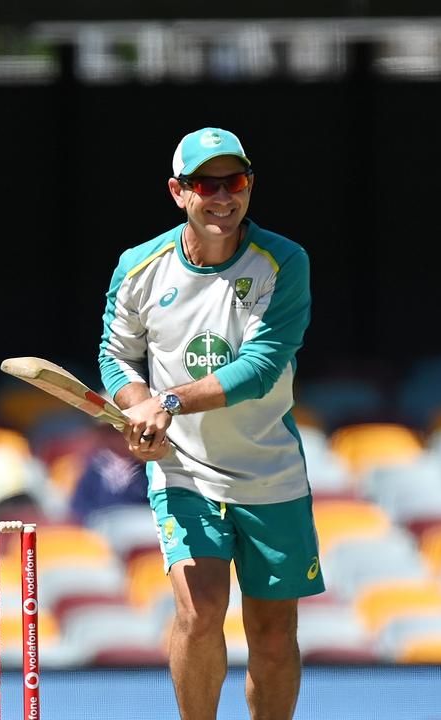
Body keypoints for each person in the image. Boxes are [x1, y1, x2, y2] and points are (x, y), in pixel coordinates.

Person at [97, 127, 323, 720]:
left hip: (269, 470)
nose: (223, 197)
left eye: (236, 181)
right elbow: (117, 356)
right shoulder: (138, 265)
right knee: (198, 617)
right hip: (185, 472)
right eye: (206, 184)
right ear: (179, 192)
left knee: (273, 640)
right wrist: (137, 400)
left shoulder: (285, 261)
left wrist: (164, 405)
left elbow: (260, 367)